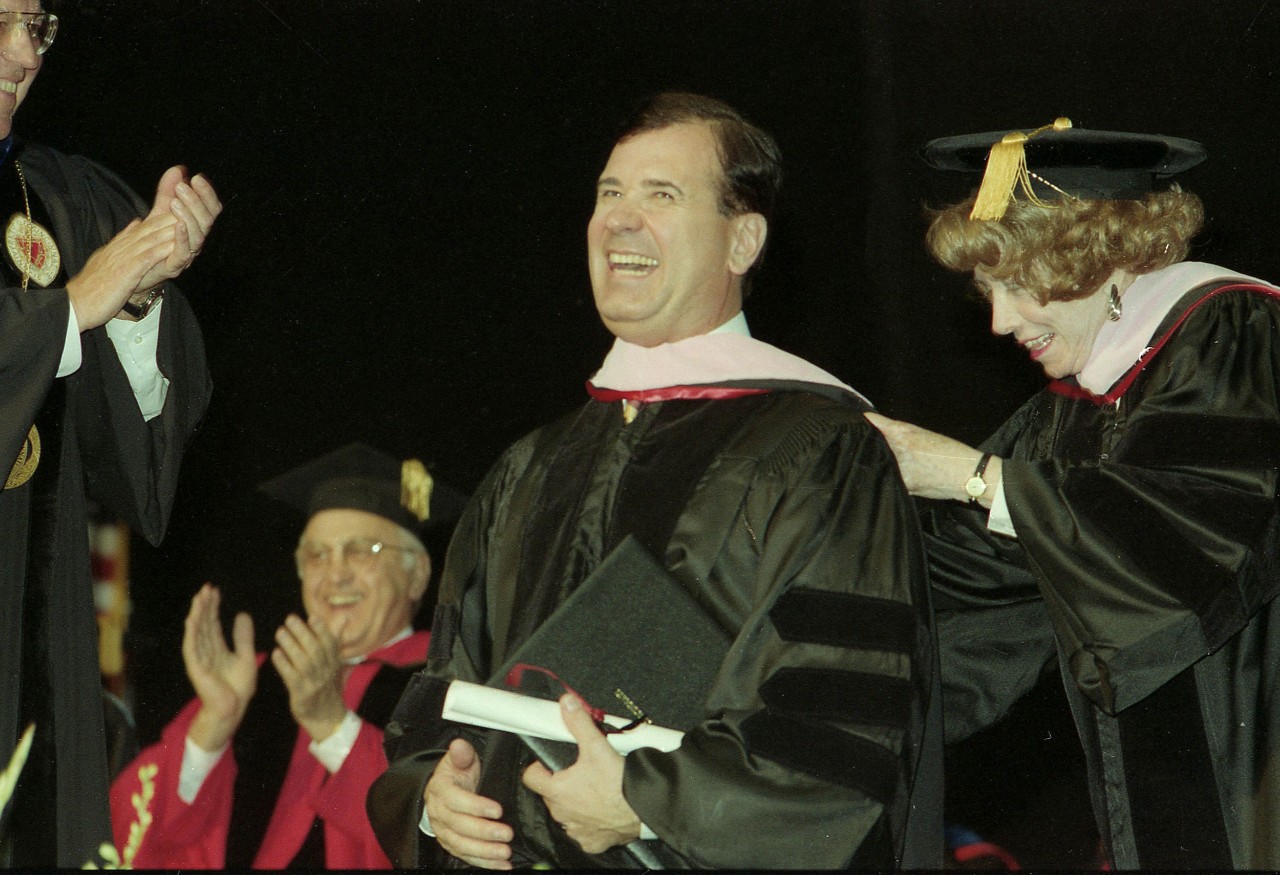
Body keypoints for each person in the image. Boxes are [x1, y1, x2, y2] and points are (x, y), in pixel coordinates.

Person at [367, 92, 942, 870]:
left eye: (660, 195)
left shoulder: (819, 452)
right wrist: (435, 799)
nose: (619, 219)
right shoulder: (529, 466)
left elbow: (840, 741)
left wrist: (647, 803)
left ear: (742, 241)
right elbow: (446, 687)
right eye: (610, 194)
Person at [866, 118, 1280, 869]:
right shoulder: (1067, 411)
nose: (998, 321)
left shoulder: (1235, 334)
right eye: (987, 291)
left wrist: (973, 475)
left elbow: (1182, 542)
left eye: (1016, 285)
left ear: (1098, 254)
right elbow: (968, 578)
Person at [0, 4, 217, 867]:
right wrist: (68, 310)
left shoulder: (49, 196)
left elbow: (128, 470)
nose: (24, 54)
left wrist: (135, 296)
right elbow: (69, 305)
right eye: (2, 21)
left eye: (38, 26)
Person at [107, 443, 466, 868]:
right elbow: (135, 825)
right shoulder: (260, 679)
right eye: (315, 555)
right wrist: (214, 723)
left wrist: (332, 726)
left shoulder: (450, 686)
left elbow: (440, 836)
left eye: (361, 550)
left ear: (417, 575)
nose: (335, 574)